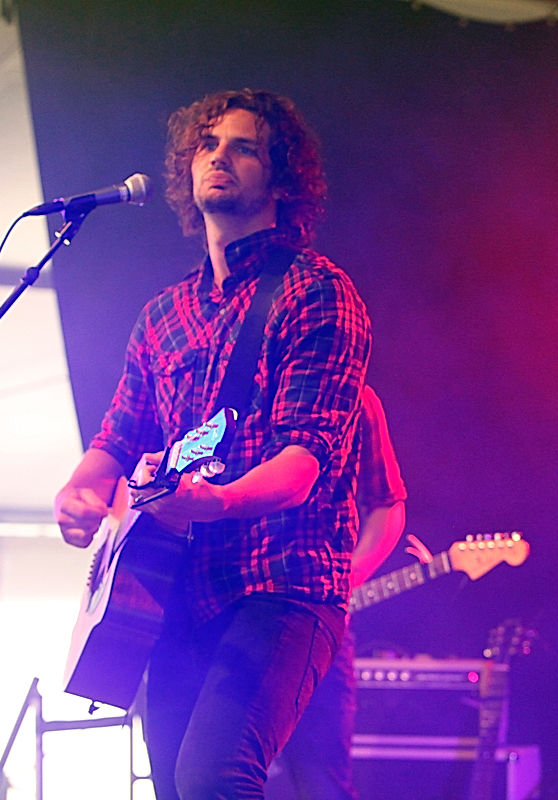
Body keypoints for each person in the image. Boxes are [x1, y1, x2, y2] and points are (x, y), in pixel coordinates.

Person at [53, 89, 371, 800]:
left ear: (281, 178)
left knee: (213, 778)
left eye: (242, 146)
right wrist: (77, 492)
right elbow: (117, 436)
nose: (218, 156)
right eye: (207, 144)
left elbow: (304, 459)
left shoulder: (318, 293)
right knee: (172, 786)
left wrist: (216, 502)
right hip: (172, 592)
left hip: (283, 589)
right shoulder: (162, 315)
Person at [266, 385, 408, 800]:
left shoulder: (354, 397)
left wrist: (346, 579)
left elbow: (386, 503)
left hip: (314, 628)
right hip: (222, 619)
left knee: (323, 785)